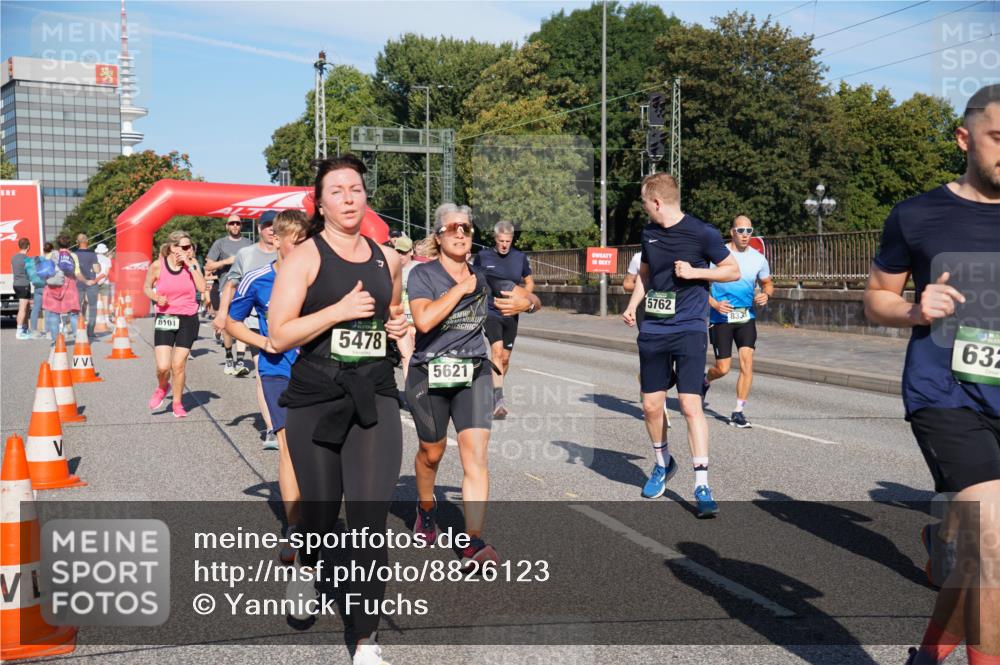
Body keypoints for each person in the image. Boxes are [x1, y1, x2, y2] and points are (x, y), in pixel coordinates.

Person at [864, 84, 1000, 665]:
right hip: (945, 395)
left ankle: (926, 656)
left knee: (977, 558)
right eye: (999, 137)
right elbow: (876, 298)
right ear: (965, 139)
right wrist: (916, 310)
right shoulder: (917, 214)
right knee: (992, 541)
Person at [268, 155, 408, 665]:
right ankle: (307, 563)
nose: (349, 198)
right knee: (324, 517)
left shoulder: (387, 258)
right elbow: (279, 334)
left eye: (356, 189)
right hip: (315, 397)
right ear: (320, 203)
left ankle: (365, 641)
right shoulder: (304, 256)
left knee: (369, 523)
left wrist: (398, 330)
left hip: (374, 394)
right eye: (337, 191)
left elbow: (393, 315)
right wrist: (337, 311)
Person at [406, 204, 540, 570]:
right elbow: (424, 319)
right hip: (429, 373)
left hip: (474, 371)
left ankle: (473, 542)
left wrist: (527, 304)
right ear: (438, 236)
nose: (461, 233)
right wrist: (461, 289)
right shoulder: (423, 275)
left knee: (475, 456)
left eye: (466, 227)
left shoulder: (482, 275)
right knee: (431, 453)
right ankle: (426, 507)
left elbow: (529, 298)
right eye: (452, 228)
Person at [622, 172, 739, 518]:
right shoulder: (649, 233)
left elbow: (731, 271)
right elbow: (645, 275)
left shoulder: (702, 232)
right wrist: (631, 306)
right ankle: (663, 463)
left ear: (657, 202)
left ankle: (702, 484)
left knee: (690, 406)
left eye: (645, 203)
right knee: (651, 406)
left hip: (689, 327)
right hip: (654, 330)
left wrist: (696, 273)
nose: (644, 209)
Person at [227, 210, 308, 560]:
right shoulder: (257, 279)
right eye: (299, 244)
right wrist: (265, 345)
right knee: (289, 447)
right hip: (278, 371)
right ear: (276, 240)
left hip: (318, 372)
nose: (306, 251)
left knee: (320, 449)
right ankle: (294, 528)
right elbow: (232, 322)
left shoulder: (319, 277)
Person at [704, 216, 774, 428]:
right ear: (732, 231)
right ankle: (705, 381)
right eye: (741, 230)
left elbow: (768, 283)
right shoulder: (717, 256)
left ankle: (738, 411)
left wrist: (766, 295)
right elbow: (697, 287)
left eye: (749, 230)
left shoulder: (758, 258)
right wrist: (714, 304)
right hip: (721, 317)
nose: (745, 234)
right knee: (723, 368)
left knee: (747, 362)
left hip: (746, 317)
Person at [221, 211, 281, 444]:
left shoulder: (292, 252)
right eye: (267, 226)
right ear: (259, 229)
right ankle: (271, 427)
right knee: (263, 373)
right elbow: (232, 283)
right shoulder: (246, 254)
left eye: (275, 226)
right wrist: (222, 315)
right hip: (256, 323)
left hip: (286, 323)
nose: (271, 230)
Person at [473, 221, 535, 419]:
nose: (504, 245)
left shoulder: (519, 257)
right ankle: (498, 399)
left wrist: (523, 300)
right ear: (495, 239)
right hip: (490, 311)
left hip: (511, 313)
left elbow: (529, 281)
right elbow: (473, 279)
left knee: (505, 358)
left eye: (508, 241)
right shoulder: (483, 256)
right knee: (497, 352)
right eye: (501, 241)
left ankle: (494, 389)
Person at [143, 231, 206, 418]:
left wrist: (190, 264)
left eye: (190, 247)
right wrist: (155, 297)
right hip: (165, 316)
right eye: (184, 247)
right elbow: (146, 287)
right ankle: (163, 386)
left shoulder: (192, 265)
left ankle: (177, 403)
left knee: (178, 365)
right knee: (163, 366)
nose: (188, 250)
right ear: (172, 247)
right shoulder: (158, 266)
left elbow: (202, 288)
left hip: (188, 317)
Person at [206, 214, 252, 375]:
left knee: (241, 323)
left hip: (245, 288)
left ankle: (240, 360)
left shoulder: (249, 244)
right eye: (232, 223)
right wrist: (226, 261)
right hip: (226, 288)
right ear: (227, 226)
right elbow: (208, 266)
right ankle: (229, 359)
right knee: (226, 325)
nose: (235, 226)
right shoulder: (220, 243)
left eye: (238, 223)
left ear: (241, 226)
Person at [43, 235, 82, 343]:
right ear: (69, 244)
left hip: (53, 287)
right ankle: (78, 339)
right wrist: (86, 281)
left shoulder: (49, 255)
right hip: (70, 286)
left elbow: (44, 272)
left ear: (57, 244)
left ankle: (55, 342)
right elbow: (77, 273)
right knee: (74, 313)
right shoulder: (73, 255)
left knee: (54, 313)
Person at [74, 233, 101, 341]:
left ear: (77, 242)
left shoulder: (74, 254)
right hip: (91, 282)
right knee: (93, 306)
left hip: (78, 282)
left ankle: (78, 329)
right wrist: (99, 266)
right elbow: (97, 270)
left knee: (77, 307)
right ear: (87, 241)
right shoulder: (92, 253)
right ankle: (90, 331)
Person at [25, 241, 47, 338]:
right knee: (49, 309)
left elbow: (28, 276)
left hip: (37, 287)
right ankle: (49, 330)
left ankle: (33, 330)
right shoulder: (45, 261)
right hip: (46, 287)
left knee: (36, 309)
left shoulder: (30, 264)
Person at [12, 237, 33, 340]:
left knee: (27, 306)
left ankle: (25, 329)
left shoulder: (14, 257)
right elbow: (30, 274)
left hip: (16, 284)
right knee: (22, 309)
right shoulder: (27, 259)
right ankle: (19, 331)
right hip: (23, 284)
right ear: (28, 246)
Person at [94, 243, 113, 331]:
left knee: (98, 303)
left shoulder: (93, 258)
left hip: (95, 281)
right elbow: (107, 272)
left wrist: (96, 280)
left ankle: (97, 320)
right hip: (105, 282)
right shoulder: (107, 259)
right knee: (105, 303)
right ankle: (107, 320)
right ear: (105, 251)